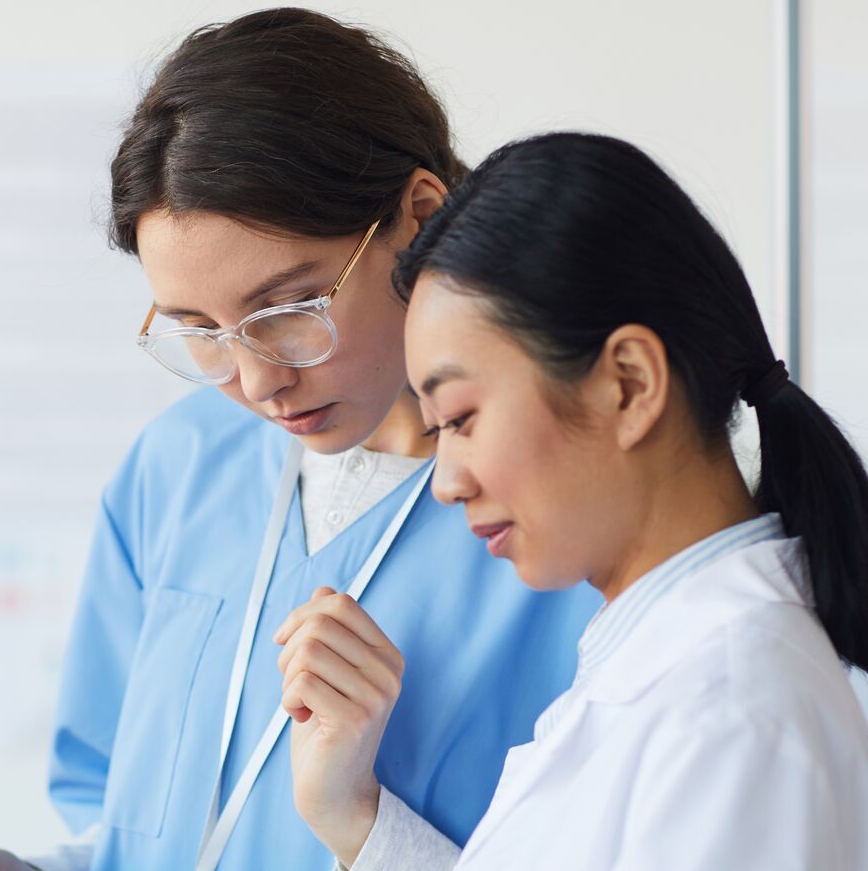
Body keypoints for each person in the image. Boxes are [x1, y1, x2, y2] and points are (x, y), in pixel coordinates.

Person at [0, 9, 600, 871]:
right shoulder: (178, 467)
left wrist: (368, 826)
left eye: (286, 313)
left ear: (419, 217)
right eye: (198, 331)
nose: (255, 382)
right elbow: (131, 825)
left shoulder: (564, 513)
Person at [280, 132, 868, 868]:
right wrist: (353, 819)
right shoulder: (662, 669)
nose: (446, 481)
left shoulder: (733, 712)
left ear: (628, 384)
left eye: (460, 419)